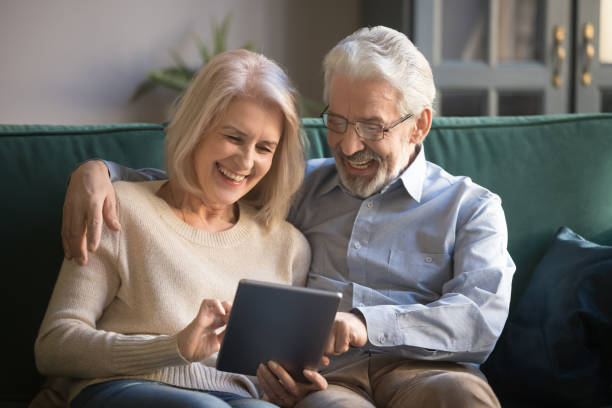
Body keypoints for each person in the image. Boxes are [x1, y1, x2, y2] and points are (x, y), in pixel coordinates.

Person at [61, 26, 515, 408]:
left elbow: (478, 320)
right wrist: (99, 172)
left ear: (419, 125)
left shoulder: (471, 207)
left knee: (460, 397)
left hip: (428, 370)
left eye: (372, 127)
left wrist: (364, 323)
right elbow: (200, 185)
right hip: (327, 381)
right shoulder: (301, 187)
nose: (349, 146)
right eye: (337, 122)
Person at [34, 49, 313, 408]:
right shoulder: (120, 208)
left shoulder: (289, 247)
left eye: (264, 147)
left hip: (236, 398)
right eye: (233, 137)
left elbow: (276, 375)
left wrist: (291, 389)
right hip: (123, 388)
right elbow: (54, 344)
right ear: (196, 128)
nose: (245, 161)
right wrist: (174, 348)